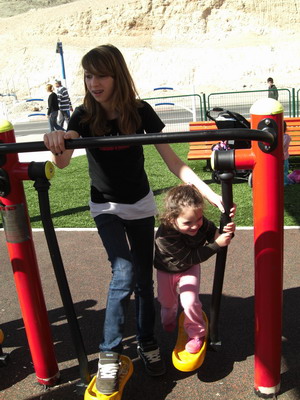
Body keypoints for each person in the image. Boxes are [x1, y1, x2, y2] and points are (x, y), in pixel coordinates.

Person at [43, 44, 235, 395]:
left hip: (140, 205)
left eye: (101, 75)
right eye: (88, 75)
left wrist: (210, 195)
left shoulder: (140, 111)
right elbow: (63, 162)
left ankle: (146, 342)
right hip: (106, 207)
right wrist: (59, 141)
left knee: (145, 280)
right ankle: (110, 355)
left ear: (118, 75)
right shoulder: (83, 116)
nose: (94, 82)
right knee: (125, 272)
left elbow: (172, 161)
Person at [154, 184, 235, 353]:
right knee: (167, 304)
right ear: (171, 219)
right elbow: (191, 256)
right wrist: (216, 245)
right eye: (188, 222)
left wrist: (225, 233)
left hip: (188, 269)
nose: (195, 225)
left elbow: (214, 234)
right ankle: (169, 314)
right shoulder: (164, 237)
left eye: (198, 219)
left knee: (190, 302)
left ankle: (196, 334)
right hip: (166, 270)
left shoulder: (199, 222)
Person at [283, 121, 292, 185]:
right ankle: (285, 182)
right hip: (285, 157)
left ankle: (284, 182)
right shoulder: (287, 137)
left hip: (280, 158)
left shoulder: (277, 138)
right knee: (285, 172)